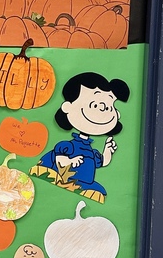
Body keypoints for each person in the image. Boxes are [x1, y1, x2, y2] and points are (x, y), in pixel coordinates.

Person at [31, 71, 130, 202]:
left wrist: (107, 150)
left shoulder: (92, 153)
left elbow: (103, 162)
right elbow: (60, 160)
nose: (101, 109)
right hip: (61, 178)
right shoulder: (68, 146)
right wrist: (71, 161)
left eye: (107, 107)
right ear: (68, 107)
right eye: (94, 105)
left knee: (99, 192)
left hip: (84, 184)